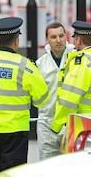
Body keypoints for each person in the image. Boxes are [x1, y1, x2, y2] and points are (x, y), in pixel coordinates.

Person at [0, 17, 50, 177]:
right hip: (15, 132)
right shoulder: (25, 66)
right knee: (13, 173)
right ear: (16, 40)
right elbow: (43, 100)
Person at [50, 20, 91, 134]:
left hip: (82, 124)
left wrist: (56, 125)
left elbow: (70, 97)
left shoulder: (83, 62)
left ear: (79, 39)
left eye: (75, 38)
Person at [36, 22, 74, 160]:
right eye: (53, 37)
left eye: (61, 36)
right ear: (47, 40)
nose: (58, 40)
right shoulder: (40, 64)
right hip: (47, 123)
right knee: (47, 166)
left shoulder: (76, 58)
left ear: (66, 36)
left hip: (71, 123)